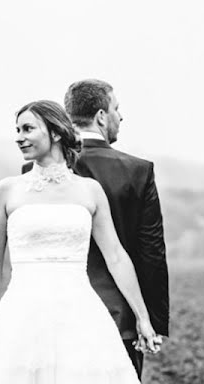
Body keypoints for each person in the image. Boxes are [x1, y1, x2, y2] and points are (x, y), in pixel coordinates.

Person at [0, 100, 160, 383]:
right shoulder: (7, 190)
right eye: (17, 130)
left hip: (80, 315)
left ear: (56, 133)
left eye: (28, 129)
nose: (19, 137)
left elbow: (116, 255)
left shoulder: (90, 190)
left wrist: (143, 318)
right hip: (22, 316)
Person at [60, 79, 170, 378]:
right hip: (120, 318)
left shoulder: (36, 173)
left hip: (57, 319)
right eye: (117, 109)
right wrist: (150, 322)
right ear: (100, 116)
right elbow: (151, 253)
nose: (121, 117)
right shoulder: (137, 171)